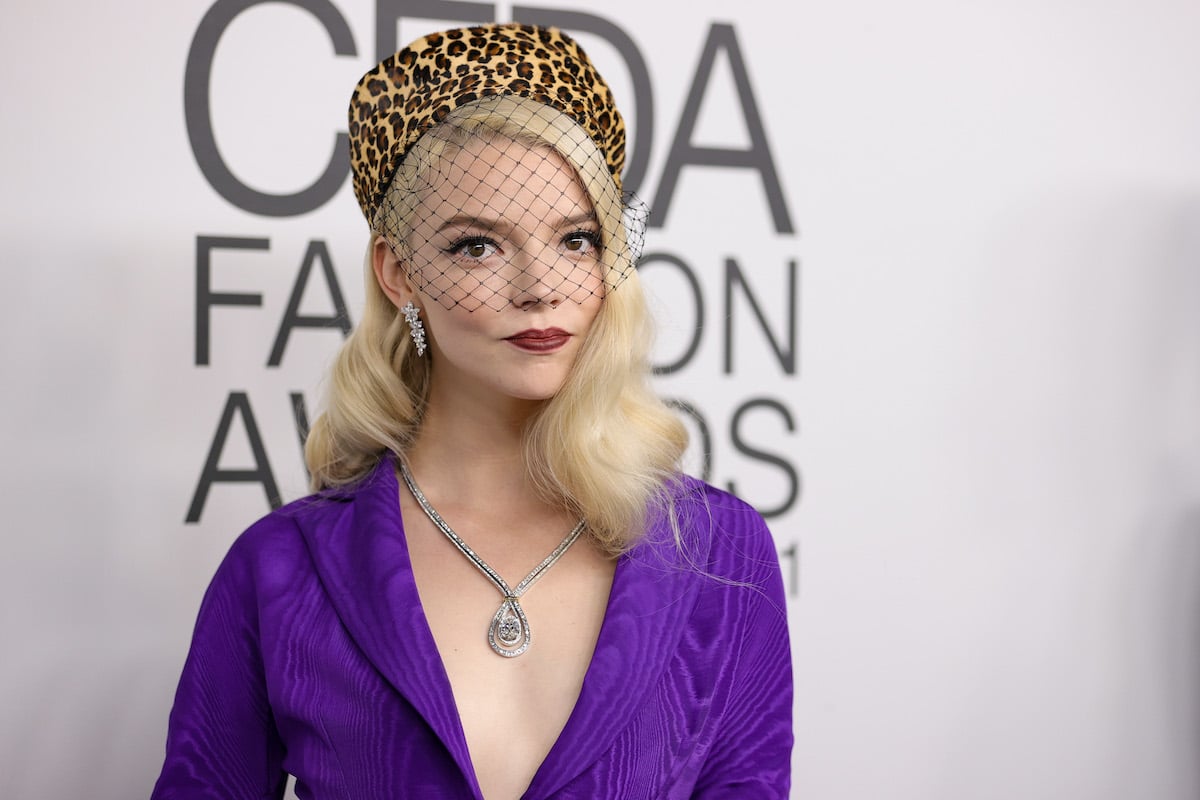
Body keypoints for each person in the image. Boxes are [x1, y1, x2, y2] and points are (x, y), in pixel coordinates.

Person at [152, 22, 792, 799]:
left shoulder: (719, 553)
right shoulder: (281, 569)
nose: (538, 285)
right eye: (477, 247)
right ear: (398, 273)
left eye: (576, 240)